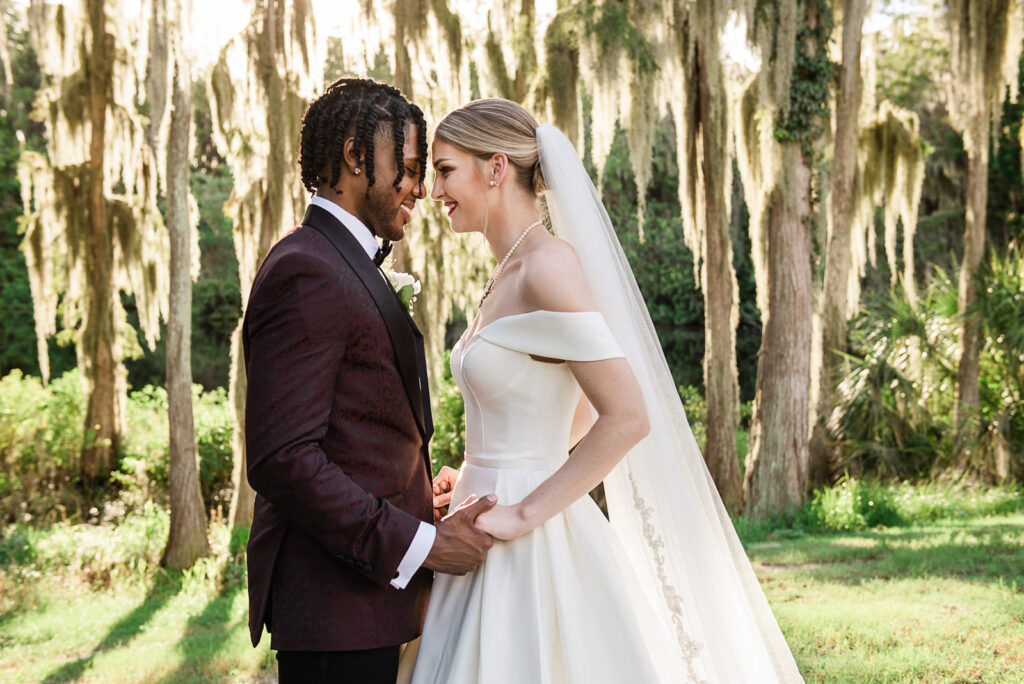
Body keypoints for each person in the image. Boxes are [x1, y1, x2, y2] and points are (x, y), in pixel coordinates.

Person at [400, 99, 805, 683]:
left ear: (494, 168)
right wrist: (476, 474)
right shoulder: (507, 270)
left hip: (525, 532)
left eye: (444, 170)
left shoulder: (547, 266)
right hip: (480, 516)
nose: (434, 191)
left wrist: (522, 510)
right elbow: (578, 410)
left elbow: (627, 415)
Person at [242, 78, 497, 684]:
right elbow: (285, 459)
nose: (420, 188)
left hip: (369, 608)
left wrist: (418, 502)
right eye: (408, 168)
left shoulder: (343, 262)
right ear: (357, 158)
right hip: (337, 615)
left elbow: (354, 434)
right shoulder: (307, 267)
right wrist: (422, 545)